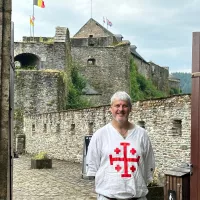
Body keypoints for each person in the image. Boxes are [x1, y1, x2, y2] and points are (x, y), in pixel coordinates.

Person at [86, 91, 155, 200]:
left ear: (130, 108)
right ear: (111, 108)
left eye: (125, 106)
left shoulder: (142, 135)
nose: (121, 109)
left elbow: (148, 165)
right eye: (117, 105)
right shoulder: (100, 135)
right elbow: (93, 166)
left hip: (137, 197)